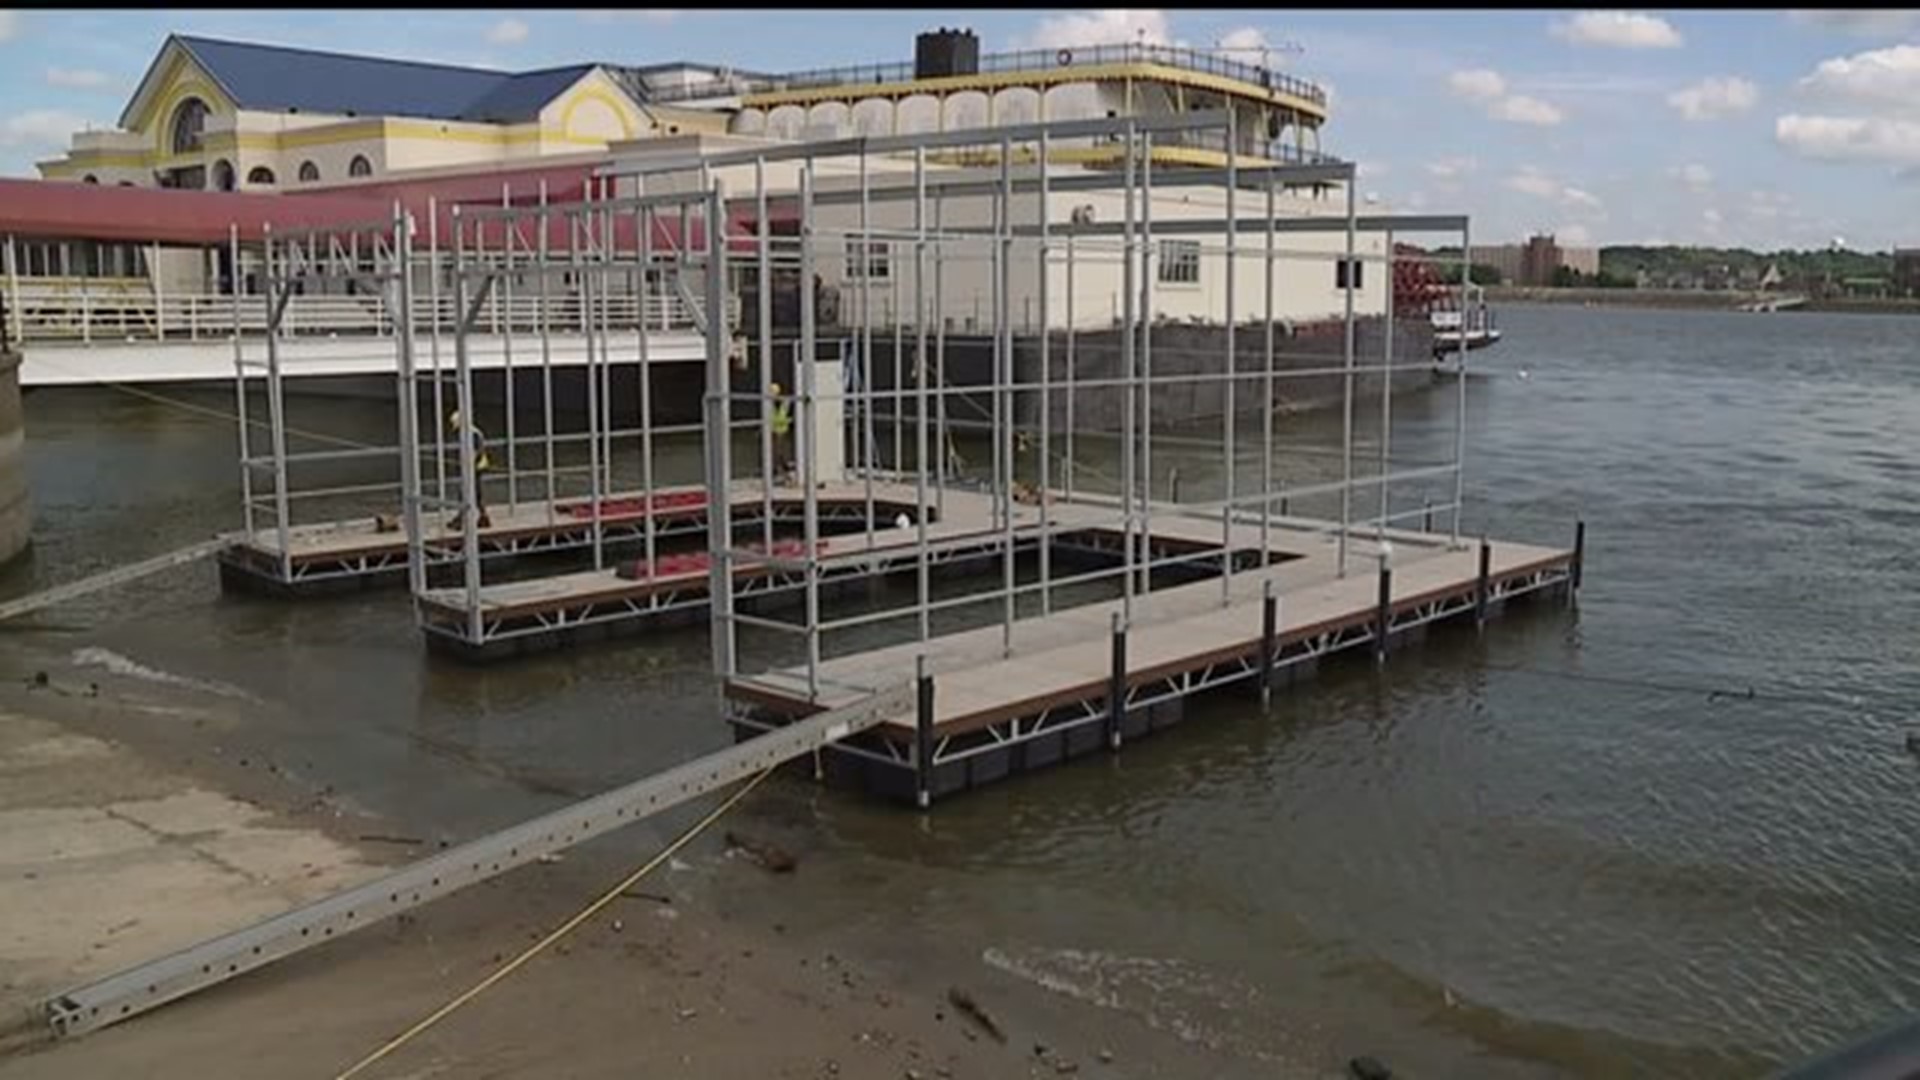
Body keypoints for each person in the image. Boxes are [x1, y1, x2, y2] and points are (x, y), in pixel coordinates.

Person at [447, 410, 493, 529]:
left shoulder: (472, 434)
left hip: (475, 467)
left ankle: (461, 520)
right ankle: (482, 517)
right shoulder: (471, 432)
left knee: (466, 492)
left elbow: (475, 451)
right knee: (475, 493)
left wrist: (468, 463)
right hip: (474, 466)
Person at [768, 383, 794, 483]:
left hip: (782, 429)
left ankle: (783, 470)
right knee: (775, 452)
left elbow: (787, 414)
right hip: (774, 429)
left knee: (780, 452)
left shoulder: (784, 402)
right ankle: (777, 471)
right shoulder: (770, 403)